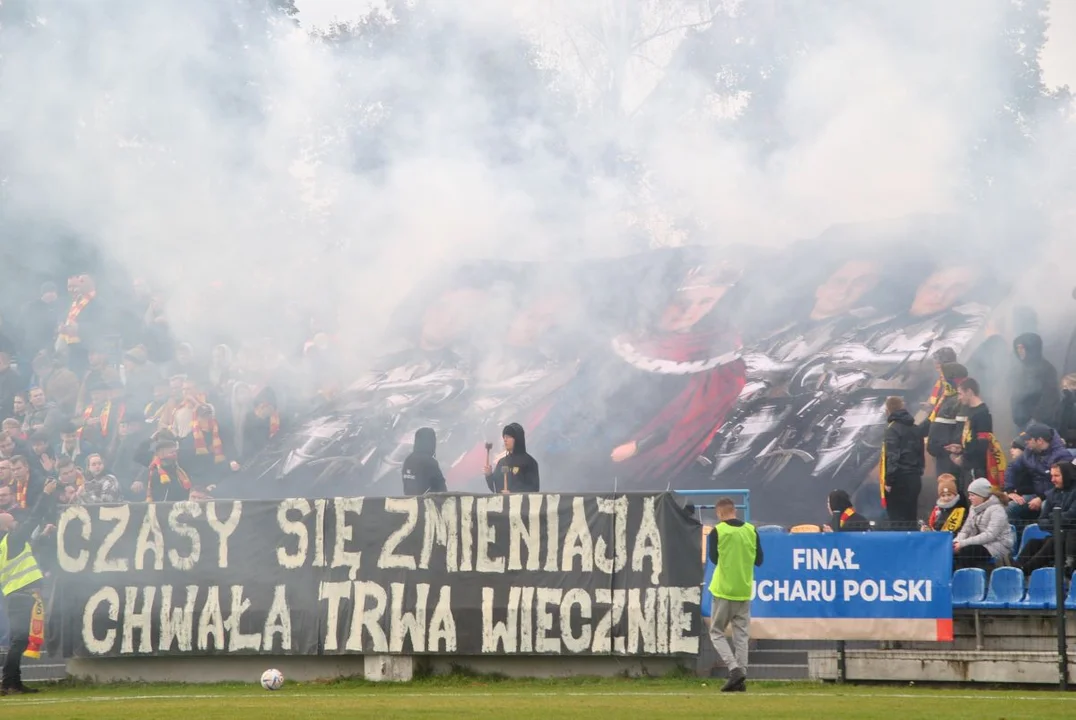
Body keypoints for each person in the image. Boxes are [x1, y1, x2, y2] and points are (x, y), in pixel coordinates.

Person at [0, 477, 57, 695]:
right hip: (22, 595)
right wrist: (46, 494)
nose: (16, 522)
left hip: (18, 596)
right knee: (19, 640)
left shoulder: (10, 545)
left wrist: (42, 537)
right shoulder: (12, 540)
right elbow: (33, 519)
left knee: (21, 639)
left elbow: (29, 549)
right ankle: (8, 682)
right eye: (12, 520)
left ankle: (14, 682)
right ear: (6, 526)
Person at [707, 497, 764, 693]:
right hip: (744, 589)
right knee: (741, 636)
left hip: (723, 589)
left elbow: (713, 558)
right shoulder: (751, 530)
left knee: (716, 632)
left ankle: (734, 670)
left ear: (719, 513)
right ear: (734, 511)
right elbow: (759, 560)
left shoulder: (717, 531)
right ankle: (741, 677)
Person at [1004, 424, 1073, 527]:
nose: (1026, 442)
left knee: (1045, 507)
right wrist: (1010, 490)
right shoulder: (1029, 452)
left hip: (1054, 495)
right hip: (1034, 494)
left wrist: (1042, 498)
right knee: (1010, 508)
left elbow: (1060, 482)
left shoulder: (1062, 455)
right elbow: (1012, 468)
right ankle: (1017, 539)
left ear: (1039, 440)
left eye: (1029, 439)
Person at [1014, 462, 1076, 576]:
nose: (1052, 480)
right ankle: (1014, 568)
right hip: (1058, 535)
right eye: (1051, 476)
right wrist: (1056, 520)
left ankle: (1024, 570)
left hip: (1072, 540)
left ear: (1067, 475)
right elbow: (1041, 521)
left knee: (1054, 541)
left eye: (1056, 476)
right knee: (1033, 543)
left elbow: (1072, 515)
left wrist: (1053, 517)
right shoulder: (1052, 493)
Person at [948, 378, 1004, 488]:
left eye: (960, 394)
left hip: (978, 469)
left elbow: (982, 445)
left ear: (969, 392)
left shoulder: (982, 414)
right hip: (970, 466)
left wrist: (964, 458)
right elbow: (971, 439)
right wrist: (961, 448)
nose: (959, 398)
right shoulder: (971, 411)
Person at [880, 396, 924, 528]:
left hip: (899, 480)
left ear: (888, 410)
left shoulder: (892, 429)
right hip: (914, 478)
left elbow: (892, 456)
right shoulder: (915, 427)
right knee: (911, 520)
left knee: (897, 521)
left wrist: (889, 481)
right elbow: (920, 453)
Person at [953, 478, 1013, 571]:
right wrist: (956, 542)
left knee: (968, 551)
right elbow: (966, 530)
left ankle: (971, 580)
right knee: (952, 551)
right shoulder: (973, 508)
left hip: (998, 545)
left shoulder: (997, 509)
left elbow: (990, 535)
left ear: (982, 496)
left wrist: (963, 543)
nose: (969, 498)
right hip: (982, 543)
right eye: (969, 495)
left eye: (972, 495)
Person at [1011, 332, 1060, 430]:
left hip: (1039, 426)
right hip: (1021, 423)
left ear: (1031, 348)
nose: (1020, 351)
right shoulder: (1020, 369)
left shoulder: (1047, 369)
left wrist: (1035, 420)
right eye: (1017, 348)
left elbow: (1049, 399)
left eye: (1022, 348)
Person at [484, 423, 540, 493]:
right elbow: (495, 488)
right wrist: (489, 475)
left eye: (508, 437)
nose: (505, 440)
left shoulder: (530, 462)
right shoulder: (502, 462)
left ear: (517, 439)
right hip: (504, 504)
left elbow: (534, 489)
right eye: (504, 437)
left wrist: (512, 494)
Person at [401, 427, 447, 496]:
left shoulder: (408, 460)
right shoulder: (430, 462)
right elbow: (442, 489)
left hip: (410, 503)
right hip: (425, 504)